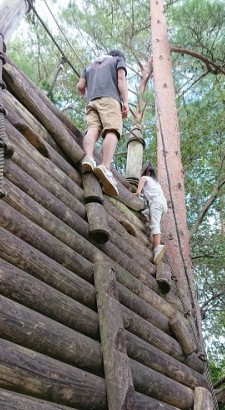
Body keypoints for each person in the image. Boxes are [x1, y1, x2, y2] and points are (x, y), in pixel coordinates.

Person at [76, 50, 128, 197]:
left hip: (92, 101)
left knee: (92, 129)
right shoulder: (118, 60)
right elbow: (121, 78)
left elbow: (80, 86)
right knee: (112, 130)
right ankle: (105, 167)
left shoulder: (88, 67)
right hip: (110, 99)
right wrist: (125, 102)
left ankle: (89, 157)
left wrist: (86, 96)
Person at [135, 162, 168, 264]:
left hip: (156, 203)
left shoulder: (144, 178)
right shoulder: (156, 182)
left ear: (146, 171)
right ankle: (146, 219)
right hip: (163, 205)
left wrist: (132, 194)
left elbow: (138, 193)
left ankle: (157, 247)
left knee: (155, 225)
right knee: (145, 213)